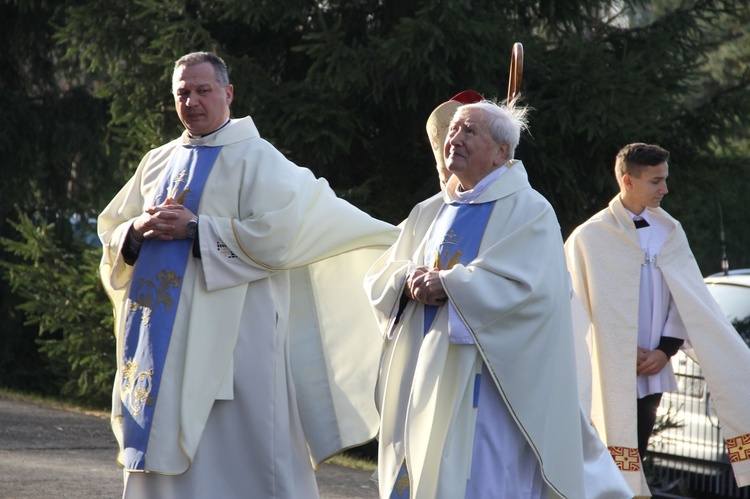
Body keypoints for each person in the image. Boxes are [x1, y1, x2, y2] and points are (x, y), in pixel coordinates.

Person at [97, 51, 399, 498]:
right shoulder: (157, 161)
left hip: (237, 343)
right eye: (183, 92)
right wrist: (136, 230)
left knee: (241, 460)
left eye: (203, 90)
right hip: (158, 341)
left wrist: (198, 229)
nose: (192, 101)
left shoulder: (257, 158)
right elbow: (111, 233)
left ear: (228, 93)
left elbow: (285, 233)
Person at [365, 100, 631, 498]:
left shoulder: (530, 212)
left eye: (469, 132)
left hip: (489, 389)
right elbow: (384, 272)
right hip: (427, 374)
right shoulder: (432, 209)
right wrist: (407, 280)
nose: (454, 139)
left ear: (501, 153)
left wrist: (450, 285)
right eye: (453, 130)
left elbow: (532, 293)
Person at [565, 143, 750, 496]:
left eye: (664, 179)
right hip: (609, 369)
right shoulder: (589, 238)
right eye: (656, 181)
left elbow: (688, 299)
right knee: (604, 459)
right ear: (628, 181)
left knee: (639, 450)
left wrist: (664, 351)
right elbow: (574, 305)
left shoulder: (669, 231)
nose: (664, 189)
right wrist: (619, 347)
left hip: (652, 368)